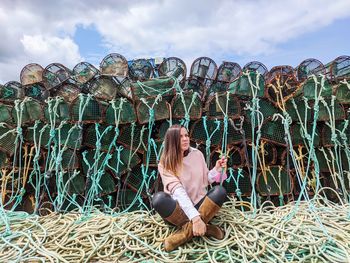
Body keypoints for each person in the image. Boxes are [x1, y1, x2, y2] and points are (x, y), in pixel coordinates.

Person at [152, 124, 227, 251]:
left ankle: (184, 234)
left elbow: (206, 180)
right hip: (178, 212)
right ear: (172, 140)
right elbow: (178, 191)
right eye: (180, 136)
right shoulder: (165, 163)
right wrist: (196, 218)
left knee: (219, 191)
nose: (186, 139)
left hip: (200, 206)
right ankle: (207, 228)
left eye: (186, 135)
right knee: (158, 199)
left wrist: (217, 169)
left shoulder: (197, 154)